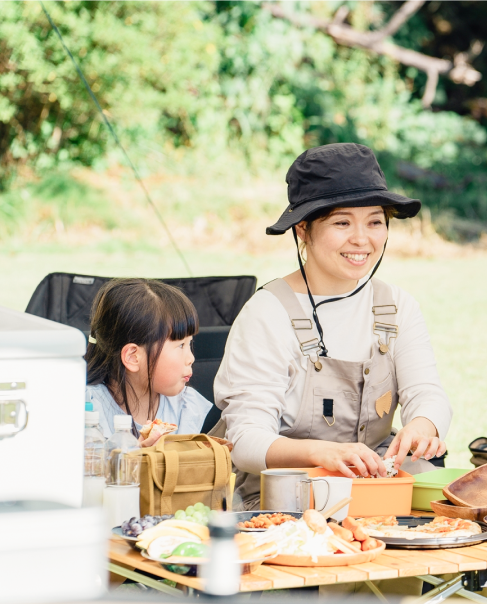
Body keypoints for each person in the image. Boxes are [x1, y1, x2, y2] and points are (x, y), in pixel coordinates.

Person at [215, 143, 452, 511]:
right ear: (303, 231)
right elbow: (245, 442)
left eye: (375, 221)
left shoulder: (397, 306)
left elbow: (428, 393)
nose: (362, 239)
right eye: (342, 223)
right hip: (283, 503)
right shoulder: (267, 313)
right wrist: (323, 453)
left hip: (376, 494)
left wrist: (423, 426)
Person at [84, 278, 212, 444]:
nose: (191, 358)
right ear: (133, 357)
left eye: (190, 343)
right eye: (181, 345)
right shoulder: (89, 409)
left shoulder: (185, 407)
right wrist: (135, 458)